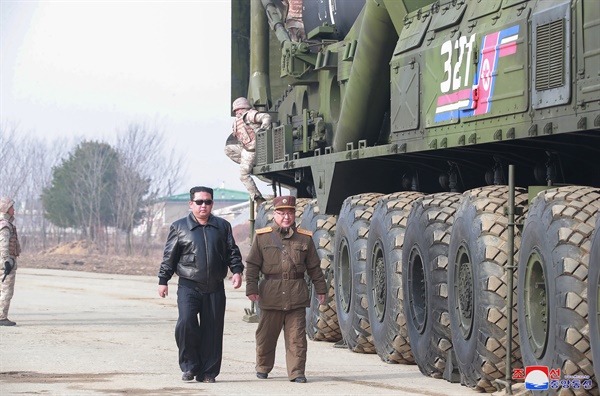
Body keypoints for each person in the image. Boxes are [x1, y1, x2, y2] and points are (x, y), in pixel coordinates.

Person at [157, 186, 244, 383]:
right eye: (199, 202)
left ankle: (208, 372)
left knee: (212, 330)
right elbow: (169, 256)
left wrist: (237, 271)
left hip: (215, 287)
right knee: (186, 323)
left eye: (207, 202)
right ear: (191, 204)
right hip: (189, 286)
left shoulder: (222, 226)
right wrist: (163, 280)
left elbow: (232, 251)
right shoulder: (179, 227)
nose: (203, 206)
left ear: (212, 203)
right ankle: (189, 366)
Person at [245, 195, 327, 383]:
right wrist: (251, 288)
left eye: (289, 213)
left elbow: (314, 267)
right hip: (270, 294)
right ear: (274, 214)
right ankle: (263, 366)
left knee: (297, 338)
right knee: (266, 336)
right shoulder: (262, 237)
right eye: (281, 213)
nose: (286, 217)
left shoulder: (304, 238)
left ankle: (297, 372)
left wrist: (321, 289)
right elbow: (252, 265)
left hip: (296, 294)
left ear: (294, 214)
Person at [225, 97, 271, 206]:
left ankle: (257, 198)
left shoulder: (250, 115)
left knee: (243, 175)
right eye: (235, 111)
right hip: (246, 149)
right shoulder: (237, 122)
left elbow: (266, 116)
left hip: (255, 149)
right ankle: (249, 165)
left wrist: (264, 129)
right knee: (228, 149)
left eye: (237, 110)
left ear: (243, 108)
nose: (236, 113)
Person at [0, 197, 21, 326]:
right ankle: (1, 317)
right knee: (6, 290)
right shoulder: (5, 226)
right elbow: (4, 244)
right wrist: (6, 261)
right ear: (6, 209)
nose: (14, 209)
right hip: (5, 262)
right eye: (11, 207)